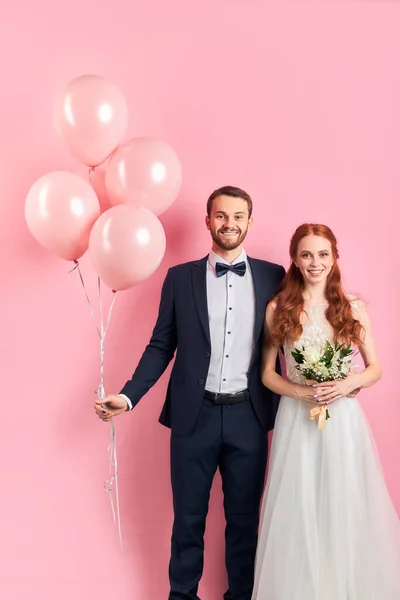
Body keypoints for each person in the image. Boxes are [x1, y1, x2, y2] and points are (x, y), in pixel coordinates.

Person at [94, 186, 285, 600]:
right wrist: (127, 397)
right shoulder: (180, 279)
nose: (229, 224)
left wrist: (321, 388)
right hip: (192, 416)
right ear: (208, 221)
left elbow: (290, 342)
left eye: (238, 216)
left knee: (243, 522)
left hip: (249, 418)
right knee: (187, 522)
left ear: (250, 222)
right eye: (221, 215)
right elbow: (161, 345)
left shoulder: (274, 276)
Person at [252, 223, 400, 600]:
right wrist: (302, 393)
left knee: (344, 500)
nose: (314, 262)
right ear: (295, 260)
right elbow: (268, 375)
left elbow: (375, 367)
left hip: (343, 422)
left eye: (322, 254)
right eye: (306, 254)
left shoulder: (352, 307)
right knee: (298, 506)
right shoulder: (278, 309)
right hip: (297, 420)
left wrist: (346, 384)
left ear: (334, 257)